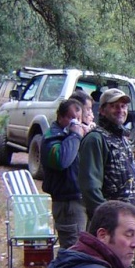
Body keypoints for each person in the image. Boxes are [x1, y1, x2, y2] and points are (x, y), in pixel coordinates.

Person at [78, 88, 135, 223]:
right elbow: (90, 189)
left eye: (123, 106)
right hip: (111, 226)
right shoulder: (95, 139)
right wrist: (111, 221)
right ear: (102, 110)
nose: (120, 110)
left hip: (128, 221)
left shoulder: (122, 139)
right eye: (114, 106)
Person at [41, 98, 87, 249]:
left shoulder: (72, 135)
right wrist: (75, 136)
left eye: (79, 119)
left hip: (79, 200)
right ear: (60, 117)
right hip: (67, 204)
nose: (76, 123)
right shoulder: (52, 137)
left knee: (82, 248)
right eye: (71, 118)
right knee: (72, 249)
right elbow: (62, 160)